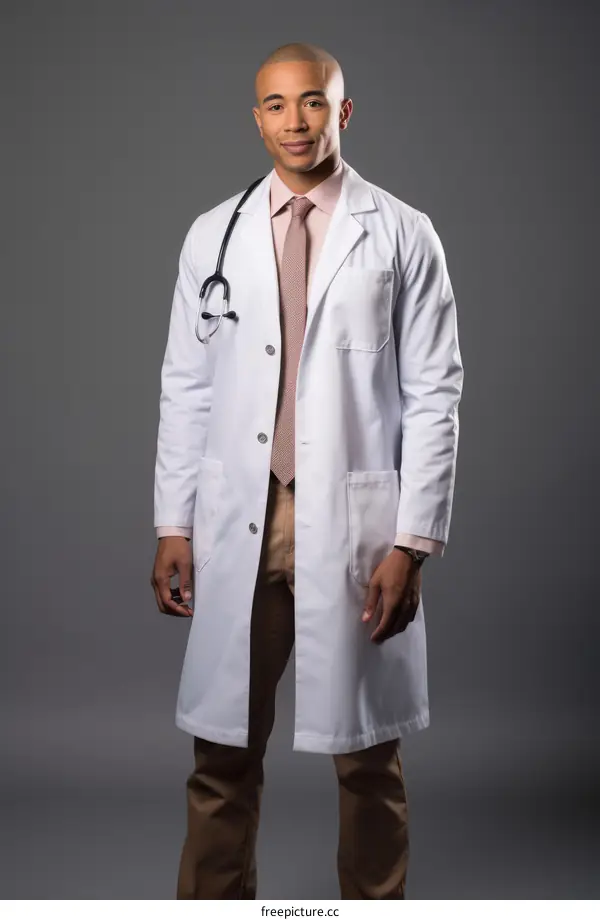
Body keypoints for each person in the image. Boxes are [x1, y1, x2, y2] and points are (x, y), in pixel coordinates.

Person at [150, 41, 464, 900]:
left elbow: (437, 393)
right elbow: (187, 385)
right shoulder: (213, 234)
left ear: (344, 112)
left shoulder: (402, 233)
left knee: (368, 759)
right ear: (256, 119)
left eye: (314, 103)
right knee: (221, 755)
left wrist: (413, 544)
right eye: (278, 105)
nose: (296, 121)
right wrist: (173, 525)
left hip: (355, 526)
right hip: (239, 521)